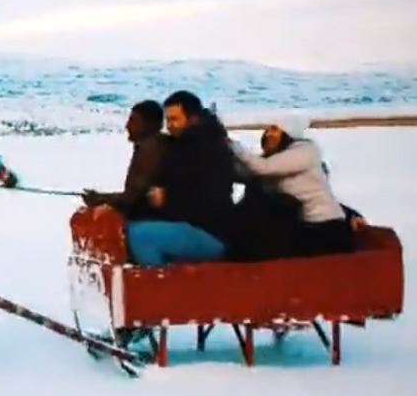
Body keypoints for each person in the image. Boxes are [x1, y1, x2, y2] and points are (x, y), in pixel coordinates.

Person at [126, 90, 236, 266]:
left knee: (141, 236)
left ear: (193, 119)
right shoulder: (182, 145)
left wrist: (167, 199)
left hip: (211, 232)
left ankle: (158, 288)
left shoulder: (209, 149)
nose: (170, 126)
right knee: (132, 228)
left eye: (175, 119)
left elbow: (208, 199)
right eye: (168, 120)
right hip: (190, 225)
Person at [229, 115, 354, 258]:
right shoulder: (275, 161)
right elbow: (240, 173)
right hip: (303, 227)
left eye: (274, 130)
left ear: (288, 133)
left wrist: (234, 146)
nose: (268, 134)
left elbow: (262, 167)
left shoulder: (305, 150)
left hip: (328, 228)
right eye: (267, 130)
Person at [83, 100, 168, 218]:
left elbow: (133, 199)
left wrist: (100, 199)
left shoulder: (150, 149)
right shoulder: (155, 144)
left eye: (134, 121)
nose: (127, 126)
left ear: (150, 125)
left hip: (151, 217)